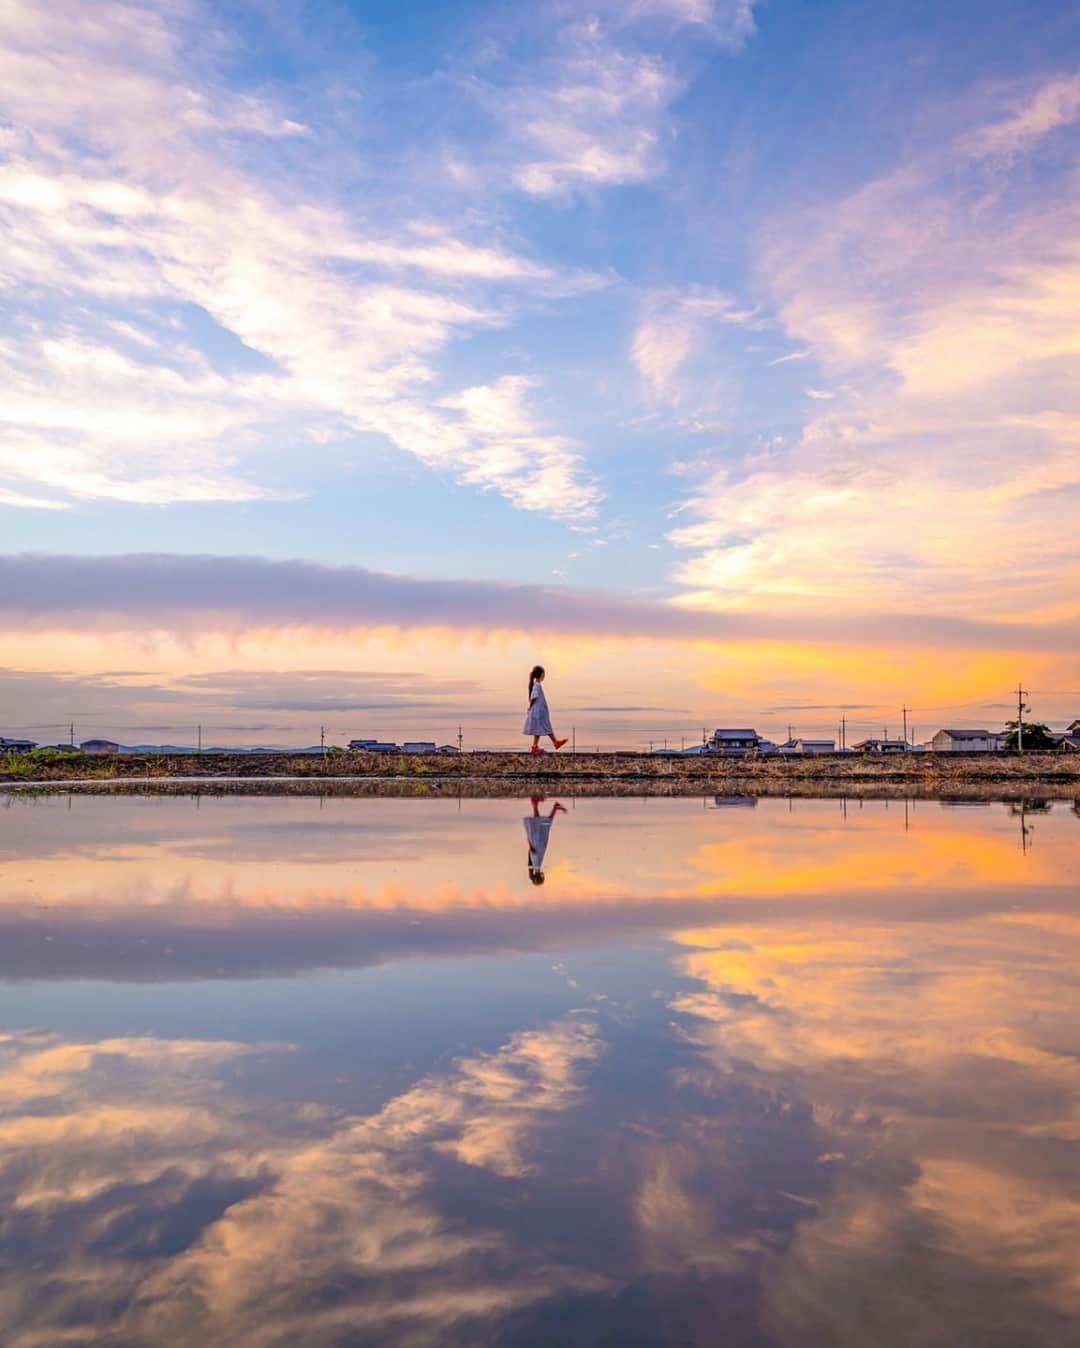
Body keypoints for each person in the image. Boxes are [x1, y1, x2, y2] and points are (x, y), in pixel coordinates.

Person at [523, 664, 568, 754]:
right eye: (544, 673)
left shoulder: (536, 685)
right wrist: (530, 707)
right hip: (539, 712)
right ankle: (555, 742)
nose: (544, 675)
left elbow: (534, 697)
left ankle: (535, 746)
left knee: (538, 728)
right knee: (546, 726)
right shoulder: (537, 686)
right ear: (541, 674)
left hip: (538, 711)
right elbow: (534, 697)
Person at [524, 795, 566, 885]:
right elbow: (531, 854)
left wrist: (530, 842)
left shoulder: (537, 866)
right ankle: (550, 806)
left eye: (542, 878)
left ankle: (542, 804)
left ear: (539, 876)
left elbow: (533, 852)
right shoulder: (535, 867)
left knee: (543, 823)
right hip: (538, 843)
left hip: (538, 842)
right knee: (540, 822)